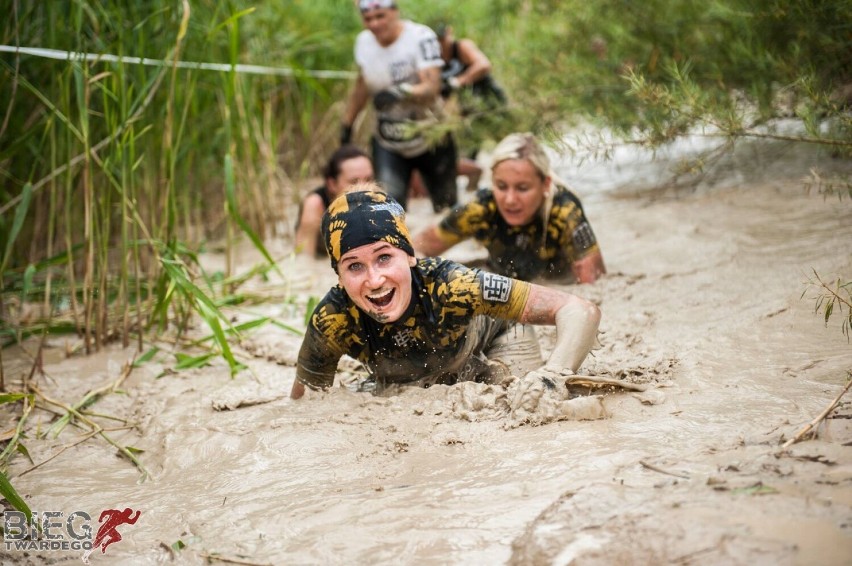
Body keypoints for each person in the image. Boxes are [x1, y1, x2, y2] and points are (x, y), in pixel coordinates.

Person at [290, 187, 601, 399]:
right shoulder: (333, 320)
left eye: (384, 257)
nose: (374, 279)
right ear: (339, 276)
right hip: (414, 372)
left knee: (511, 401)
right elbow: (305, 409)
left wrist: (553, 376)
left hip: (502, 339)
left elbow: (579, 309)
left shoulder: (453, 286)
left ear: (409, 256)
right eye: (354, 266)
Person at [413, 132, 607, 284]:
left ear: (546, 184)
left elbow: (595, 280)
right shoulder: (480, 209)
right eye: (501, 186)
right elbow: (417, 248)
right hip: (498, 276)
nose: (510, 199)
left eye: (522, 188)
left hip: (557, 281)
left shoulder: (565, 211)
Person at [340, 0, 458, 213]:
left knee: (447, 209)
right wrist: (347, 125)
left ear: (395, 12)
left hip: (430, 134)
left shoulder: (420, 37)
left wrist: (399, 92)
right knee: (389, 210)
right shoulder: (363, 43)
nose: (374, 24)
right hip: (389, 140)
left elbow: (432, 86)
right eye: (368, 19)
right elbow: (361, 86)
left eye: (380, 16)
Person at [294, 145, 374, 257]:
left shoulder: (378, 198)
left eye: (369, 179)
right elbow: (303, 259)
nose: (364, 187)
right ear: (332, 184)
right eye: (354, 181)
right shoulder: (315, 205)